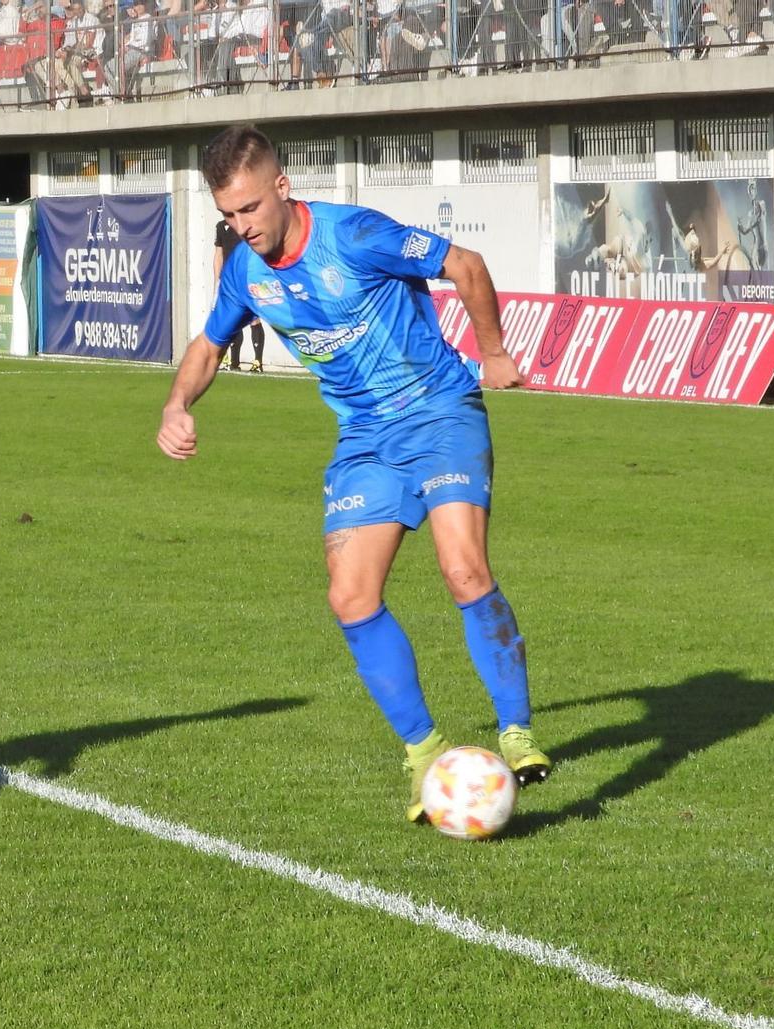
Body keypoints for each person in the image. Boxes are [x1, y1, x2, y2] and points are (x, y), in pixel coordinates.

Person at [156, 125, 551, 825]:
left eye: (249, 208)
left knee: (463, 569)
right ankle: (424, 751)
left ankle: (517, 731)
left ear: (282, 187)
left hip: (439, 412)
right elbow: (209, 344)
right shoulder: (246, 274)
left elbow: (466, 263)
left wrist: (493, 352)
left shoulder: (356, 235)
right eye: (228, 214)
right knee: (349, 595)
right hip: (365, 440)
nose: (241, 226)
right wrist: (177, 403)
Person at [212, 217, 264, 370]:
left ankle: (257, 362)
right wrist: (217, 281)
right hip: (229, 280)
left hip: (247, 278)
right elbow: (218, 255)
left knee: (254, 318)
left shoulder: (248, 225)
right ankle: (234, 362)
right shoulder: (221, 226)